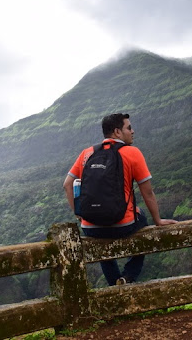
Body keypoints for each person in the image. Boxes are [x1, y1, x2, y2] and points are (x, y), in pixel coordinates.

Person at [63, 113, 177, 286]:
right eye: (129, 128)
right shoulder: (132, 153)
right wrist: (158, 220)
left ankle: (114, 285)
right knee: (143, 219)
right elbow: (147, 193)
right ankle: (128, 277)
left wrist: (79, 214)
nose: (133, 131)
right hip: (122, 225)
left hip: (90, 227)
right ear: (117, 132)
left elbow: (67, 185)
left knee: (101, 243)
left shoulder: (87, 153)